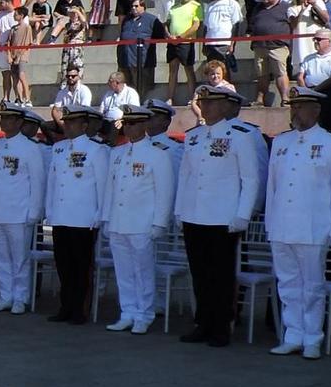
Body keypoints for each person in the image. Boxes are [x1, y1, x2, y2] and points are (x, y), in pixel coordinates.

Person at [173, 82, 266, 347]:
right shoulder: (194, 136)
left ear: (226, 106)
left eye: (212, 102)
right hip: (195, 214)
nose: (206, 107)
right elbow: (186, 177)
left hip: (223, 217)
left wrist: (243, 214)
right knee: (200, 273)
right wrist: (180, 209)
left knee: (222, 276)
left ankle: (221, 326)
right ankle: (203, 323)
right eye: (203, 102)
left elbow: (250, 180)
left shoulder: (240, 135)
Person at [263, 88, 331, 358]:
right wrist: (270, 222)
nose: (295, 113)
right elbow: (273, 187)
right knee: (288, 284)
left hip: (313, 226)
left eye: (301, 107)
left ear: (316, 110)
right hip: (282, 225)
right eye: (293, 107)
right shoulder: (281, 142)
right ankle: (293, 333)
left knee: (312, 285)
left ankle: (312, 336)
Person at [103, 103, 177, 333]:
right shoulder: (117, 153)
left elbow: (165, 191)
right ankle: (128, 311)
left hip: (142, 222)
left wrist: (159, 223)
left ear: (145, 124)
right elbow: (110, 189)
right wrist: (106, 218)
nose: (128, 127)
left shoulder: (157, 153)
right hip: (118, 221)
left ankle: (144, 314)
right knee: (123, 271)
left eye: (133, 123)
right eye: (126, 123)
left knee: (143, 271)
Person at [0, 100, 49, 315]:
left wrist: (34, 212)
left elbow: (37, 182)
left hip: (19, 212)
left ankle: (20, 297)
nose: (5, 122)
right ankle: (5, 295)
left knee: (19, 258)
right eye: (3, 118)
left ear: (20, 122)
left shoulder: (30, 148)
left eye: (10, 118)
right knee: (0, 257)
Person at [43, 104, 109, 324]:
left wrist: (99, 215)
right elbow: (52, 183)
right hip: (62, 216)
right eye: (66, 121)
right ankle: (66, 306)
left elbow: (101, 185)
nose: (68, 125)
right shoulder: (58, 148)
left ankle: (80, 309)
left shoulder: (97, 149)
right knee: (63, 265)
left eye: (72, 122)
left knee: (81, 267)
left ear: (84, 125)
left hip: (84, 218)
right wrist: (50, 210)